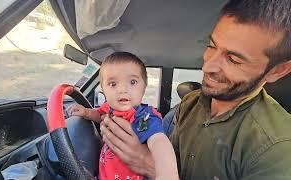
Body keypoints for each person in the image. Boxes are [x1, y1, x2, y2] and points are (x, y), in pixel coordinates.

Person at [100, 0, 291, 179]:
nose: (207, 67)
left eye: (233, 59)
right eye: (211, 46)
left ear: (277, 70)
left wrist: (149, 165)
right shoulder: (191, 102)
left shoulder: (278, 148)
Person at [67, 52, 179, 180]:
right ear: (103, 90)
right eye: (113, 84)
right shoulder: (108, 109)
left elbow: (159, 142)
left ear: (144, 88)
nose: (123, 89)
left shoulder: (144, 116)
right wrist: (86, 112)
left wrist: (167, 174)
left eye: (132, 82)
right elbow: (98, 114)